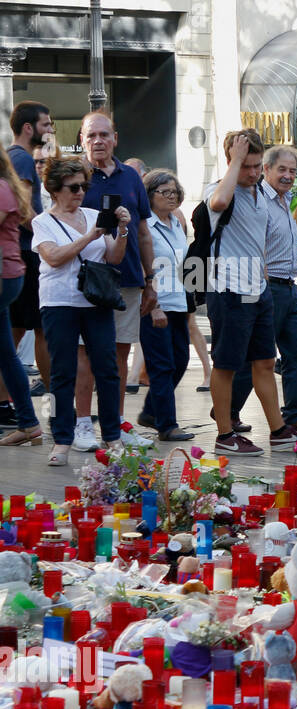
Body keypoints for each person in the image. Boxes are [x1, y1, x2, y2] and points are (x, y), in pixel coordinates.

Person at [205, 129, 297, 456]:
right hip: (228, 290)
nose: (252, 173)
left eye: (256, 166)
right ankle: (225, 435)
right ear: (231, 162)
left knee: (265, 361)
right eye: (246, 166)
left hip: (259, 290)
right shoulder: (219, 190)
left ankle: (279, 431)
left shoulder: (258, 196)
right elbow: (219, 202)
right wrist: (235, 161)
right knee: (226, 365)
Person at [31, 158, 129, 464]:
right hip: (59, 302)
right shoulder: (42, 221)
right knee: (61, 373)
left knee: (108, 370)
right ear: (55, 189)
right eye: (74, 187)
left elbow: (113, 257)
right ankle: (61, 439)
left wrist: (122, 230)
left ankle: (112, 436)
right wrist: (90, 236)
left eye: (84, 186)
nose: (80, 193)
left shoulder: (92, 215)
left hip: (96, 301)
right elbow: (54, 257)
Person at [226, 144, 297, 437]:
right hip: (265, 287)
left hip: (288, 287)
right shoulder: (258, 200)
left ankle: (295, 414)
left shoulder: (285, 201)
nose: (288, 176)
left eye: (293, 171)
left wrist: (296, 252)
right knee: (255, 356)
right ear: (265, 169)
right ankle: (227, 412)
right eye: (282, 169)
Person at [78, 112, 157, 449]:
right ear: (82, 139)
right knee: (85, 355)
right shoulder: (75, 175)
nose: (98, 141)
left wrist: (150, 280)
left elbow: (142, 232)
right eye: (91, 135)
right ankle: (82, 424)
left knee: (119, 356)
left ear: (115, 138)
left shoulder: (131, 177)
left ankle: (117, 423)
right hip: (86, 280)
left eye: (104, 135)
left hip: (126, 278)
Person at [136, 169, 194, 441]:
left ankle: (150, 411)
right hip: (154, 303)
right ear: (150, 195)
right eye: (165, 192)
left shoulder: (176, 223)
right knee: (162, 365)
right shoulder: (144, 225)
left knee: (180, 359)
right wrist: (154, 302)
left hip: (178, 302)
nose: (172, 196)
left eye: (175, 192)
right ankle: (167, 425)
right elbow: (140, 265)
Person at [5, 102, 53, 416]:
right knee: (40, 328)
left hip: (18, 253)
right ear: (28, 128)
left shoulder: (12, 156)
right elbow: (22, 207)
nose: (49, 130)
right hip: (26, 252)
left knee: (16, 329)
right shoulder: (21, 158)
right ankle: (57, 401)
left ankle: (5, 403)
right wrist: (47, 233)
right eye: (46, 125)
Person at [0, 144, 39, 445]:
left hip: (4, 276)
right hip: (7, 276)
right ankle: (27, 422)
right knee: (6, 353)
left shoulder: (1, 188)